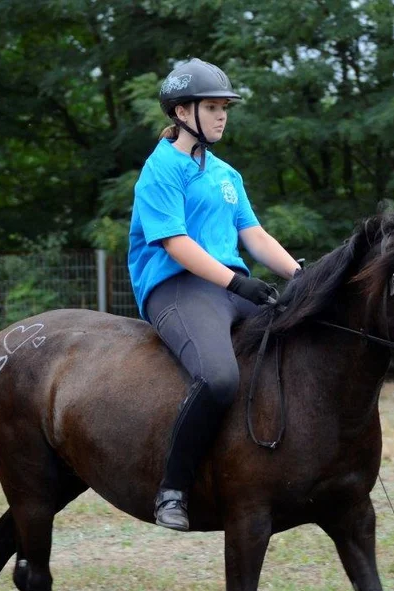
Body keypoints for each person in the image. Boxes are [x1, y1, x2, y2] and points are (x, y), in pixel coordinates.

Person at [127, 58, 302, 531]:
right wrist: (237, 282)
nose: (223, 115)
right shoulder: (161, 169)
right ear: (183, 112)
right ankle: (172, 489)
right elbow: (176, 244)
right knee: (220, 378)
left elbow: (256, 237)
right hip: (179, 287)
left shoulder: (227, 174)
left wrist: (300, 276)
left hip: (229, 286)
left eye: (226, 106)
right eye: (213, 106)